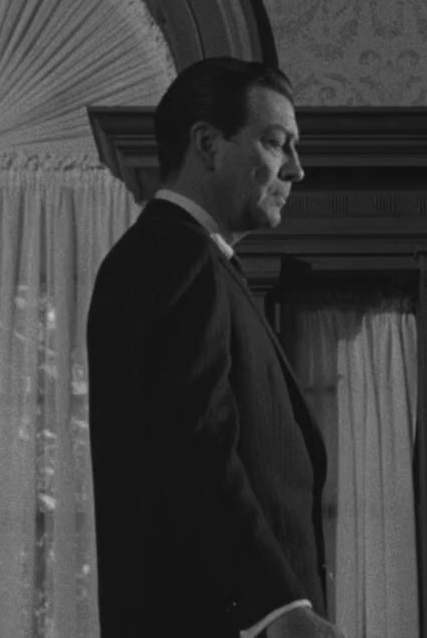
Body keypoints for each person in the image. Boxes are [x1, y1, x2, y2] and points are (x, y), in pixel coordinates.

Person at [86, 57, 341, 638]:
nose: (296, 168)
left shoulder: (195, 261)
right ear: (207, 144)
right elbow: (192, 447)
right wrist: (279, 611)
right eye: (275, 142)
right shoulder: (173, 257)